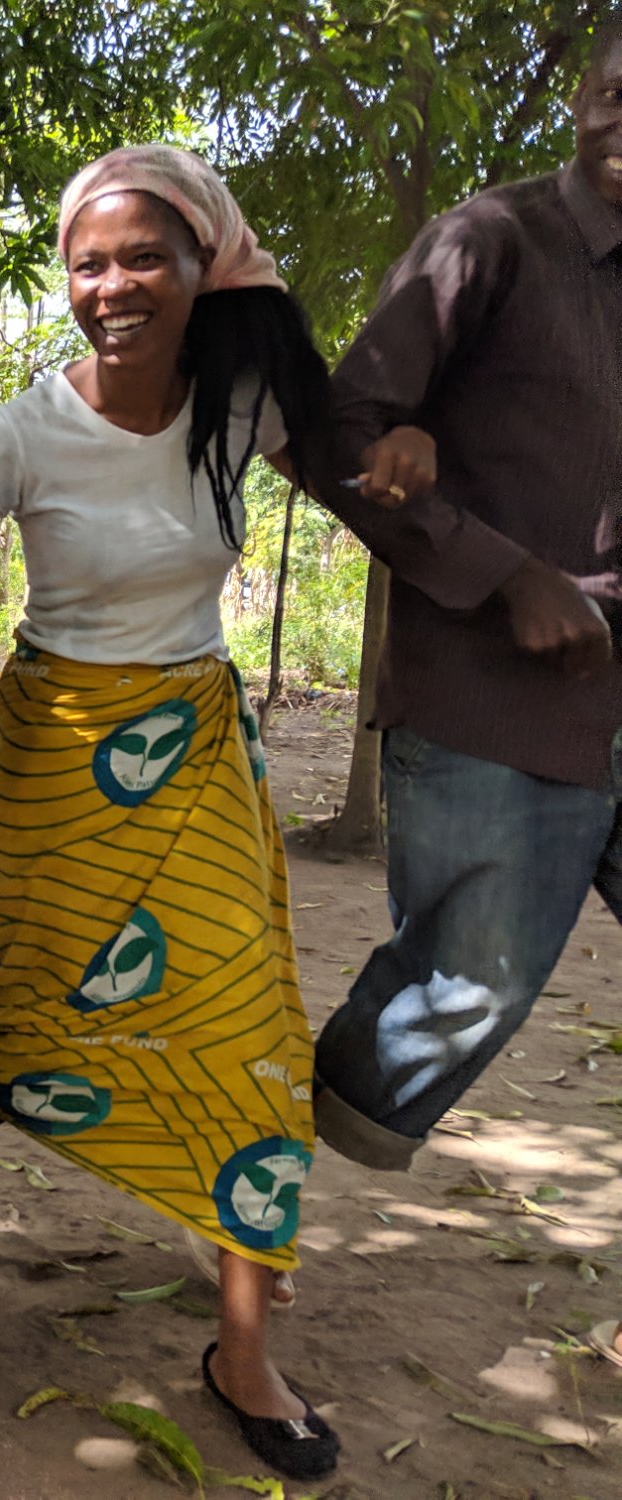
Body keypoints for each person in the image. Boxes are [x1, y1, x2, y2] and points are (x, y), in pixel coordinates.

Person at [0, 146, 371, 1480]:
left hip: (202, 753)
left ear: (201, 268)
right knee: (30, 1038)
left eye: (143, 257)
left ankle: (243, 1350)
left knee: (253, 1041)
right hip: (57, 766)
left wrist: (410, 473)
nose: (114, 285)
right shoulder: (23, 429)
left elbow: (361, 479)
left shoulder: (247, 402)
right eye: (90, 262)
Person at [307, 22, 622, 1219]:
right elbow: (344, 432)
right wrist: (506, 575)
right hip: (497, 700)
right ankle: (246, 1168)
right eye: (610, 95)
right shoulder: (491, 240)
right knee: (463, 988)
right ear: (581, 100)